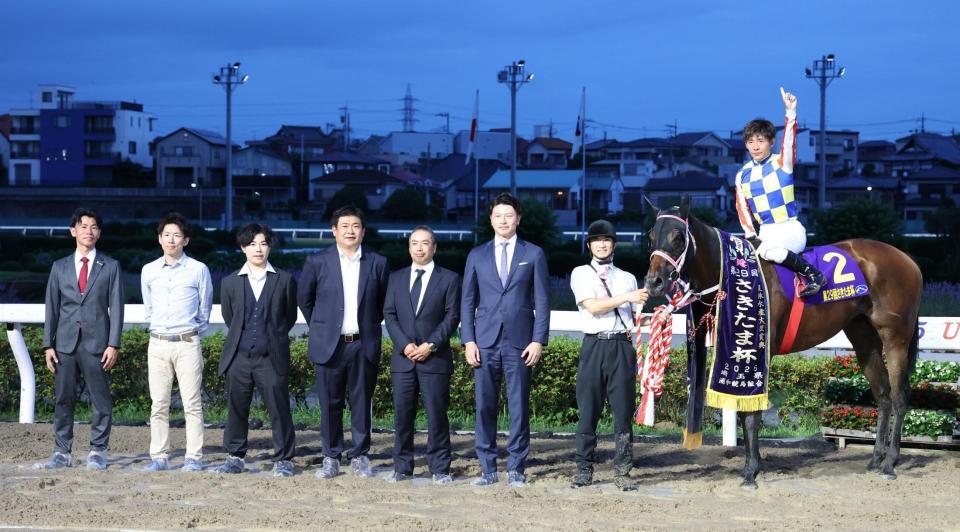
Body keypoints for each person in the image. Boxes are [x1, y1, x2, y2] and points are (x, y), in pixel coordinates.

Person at [461, 192, 550, 487]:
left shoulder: (533, 254)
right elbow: (467, 302)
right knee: (484, 405)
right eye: (498, 215)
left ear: (518, 219)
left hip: (521, 343)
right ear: (490, 219)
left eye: (508, 215)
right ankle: (487, 467)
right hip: (484, 342)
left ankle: (516, 466)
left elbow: (542, 301)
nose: (503, 220)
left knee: (519, 406)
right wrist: (468, 341)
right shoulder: (476, 255)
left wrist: (538, 340)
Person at [298, 205, 389, 479]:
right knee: (330, 403)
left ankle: (360, 455)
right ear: (334, 230)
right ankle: (331, 456)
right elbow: (305, 299)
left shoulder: (378, 263)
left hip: (363, 344)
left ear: (363, 231)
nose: (351, 231)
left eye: (356, 226)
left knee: (362, 402)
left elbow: (384, 303)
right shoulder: (317, 261)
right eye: (345, 226)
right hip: (330, 344)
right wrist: (323, 327)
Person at [35, 207, 124, 471]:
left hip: (98, 343)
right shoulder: (59, 267)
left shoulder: (110, 266)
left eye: (94, 227)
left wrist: (113, 343)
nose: (89, 231)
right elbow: (51, 307)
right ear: (73, 231)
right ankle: (62, 452)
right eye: (83, 226)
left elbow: (117, 308)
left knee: (101, 400)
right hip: (64, 344)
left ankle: (98, 450)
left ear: (99, 233)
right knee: (63, 399)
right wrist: (47, 344)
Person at [568, 220, 648, 491]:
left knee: (623, 412)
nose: (602, 244)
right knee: (588, 409)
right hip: (594, 345)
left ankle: (623, 471)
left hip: (622, 347)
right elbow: (594, 307)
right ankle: (584, 469)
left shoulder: (627, 277)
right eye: (596, 240)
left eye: (607, 239)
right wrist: (628, 296)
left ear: (614, 244)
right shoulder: (580, 273)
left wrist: (658, 319)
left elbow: (634, 319)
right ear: (589, 245)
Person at [213, 223, 298, 477]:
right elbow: (231, 317)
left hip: (271, 356)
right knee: (237, 407)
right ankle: (235, 456)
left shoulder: (284, 280)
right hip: (239, 356)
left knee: (279, 408)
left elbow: (289, 317)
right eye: (252, 244)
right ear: (243, 248)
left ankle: (284, 459)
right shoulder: (230, 283)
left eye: (263, 243)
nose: (258, 249)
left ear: (270, 246)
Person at [382, 226, 460, 485]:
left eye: (425, 243)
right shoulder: (395, 278)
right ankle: (402, 467)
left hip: (434, 359)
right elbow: (390, 315)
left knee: (437, 415)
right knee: (403, 415)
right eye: (414, 243)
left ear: (434, 247)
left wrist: (431, 345)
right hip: (403, 360)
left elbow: (452, 316)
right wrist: (404, 345)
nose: (419, 247)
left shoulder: (449, 278)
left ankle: (440, 468)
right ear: (409, 247)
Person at [139, 212, 213, 472]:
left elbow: (204, 311)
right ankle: (159, 456)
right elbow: (148, 309)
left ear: (186, 240)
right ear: (160, 239)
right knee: (158, 403)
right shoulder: (148, 271)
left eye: (177, 236)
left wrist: (191, 333)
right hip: (157, 343)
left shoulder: (198, 270)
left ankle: (194, 457)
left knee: (192, 403)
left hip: (187, 342)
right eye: (167, 235)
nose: (171, 240)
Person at [735, 87, 825, 297]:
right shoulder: (742, 175)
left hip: (789, 229)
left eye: (760, 141)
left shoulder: (781, 162)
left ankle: (814, 275)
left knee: (768, 252)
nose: (755, 146)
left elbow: (789, 141)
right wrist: (751, 236)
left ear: (771, 142)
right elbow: (742, 209)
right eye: (750, 142)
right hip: (764, 232)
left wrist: (791, 112)